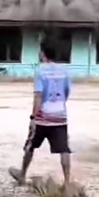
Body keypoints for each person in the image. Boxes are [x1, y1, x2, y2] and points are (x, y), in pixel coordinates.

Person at [9, 40, 72, 186]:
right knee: (64, 149)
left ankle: (22, 175)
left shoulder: (40, 70)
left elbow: (38, 95)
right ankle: (67, 181)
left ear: (43, 53)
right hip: (60, 115)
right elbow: (67, 92)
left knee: (31, 145)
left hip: (43, 116)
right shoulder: (64, 70)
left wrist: (33, 116)